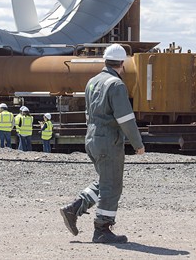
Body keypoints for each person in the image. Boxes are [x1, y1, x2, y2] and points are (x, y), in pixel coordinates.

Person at [59, 44, 145, 244]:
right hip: (108, 141)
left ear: (105, 60)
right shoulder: (116, 85)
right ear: (122, 64)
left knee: (106, 180)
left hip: (93, 138)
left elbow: (88, 112)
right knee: (112, 185)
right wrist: (137, 143)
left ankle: (74, 208)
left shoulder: (93, 82)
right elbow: (125, 118)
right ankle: (102, 229)